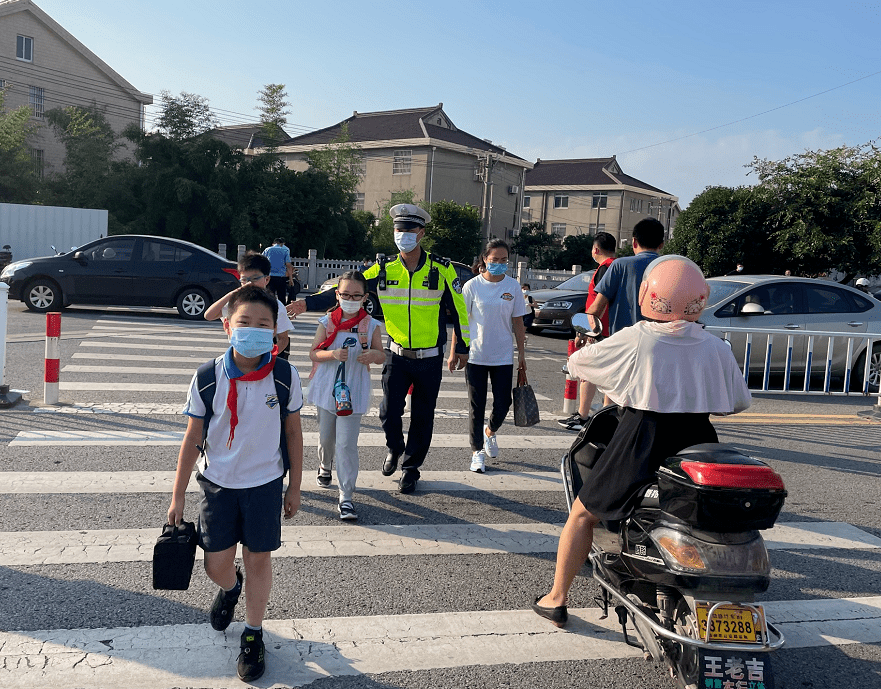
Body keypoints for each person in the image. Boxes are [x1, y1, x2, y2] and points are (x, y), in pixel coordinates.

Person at [531, 256, 751, 628]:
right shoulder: (717, 347)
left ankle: (556, 598)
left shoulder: (638, 338)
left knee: (583, 515)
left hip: (642, 438)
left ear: (649, 295)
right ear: (701, 299)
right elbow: (738, 402)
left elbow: (581, 364)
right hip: (698, 441)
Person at [168, 285, 304, 681]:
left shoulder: (284, 375)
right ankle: (230, 589)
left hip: (264, 485)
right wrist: (177, 496)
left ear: (275, 332)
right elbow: (193, 437)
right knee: (217, 566)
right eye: (244, 322)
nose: (253, 331)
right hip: (217, 485)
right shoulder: (208, 376)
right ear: (227, 326)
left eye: (264, 325)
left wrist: (294, 486)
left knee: (259, 558)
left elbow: (293, 433)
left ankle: (253, 633)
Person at [288, 203, 470, 494]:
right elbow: (347, 285)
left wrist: (462, 345)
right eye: (399, 230)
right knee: (388, 413)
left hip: (430, 357)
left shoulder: (441, 268)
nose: (403, 235)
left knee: (423, 415)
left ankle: (410, 469)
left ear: (421, 233)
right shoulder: (383, 268)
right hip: (396, 355)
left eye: (409, 230)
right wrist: (307, 303)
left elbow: (459, 309)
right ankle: (395, 448)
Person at [308, 271, 385, 520]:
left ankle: (346, 497)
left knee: (346, 444)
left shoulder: (370, 324)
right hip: (327, 387)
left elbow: (382, 354)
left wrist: (373, 355)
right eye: (345, 294)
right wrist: (332, 354)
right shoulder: (327, 321)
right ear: (337, 295)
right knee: (326, 437)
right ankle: (324, 464)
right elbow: (314, 353)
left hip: (354, 390)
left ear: (365, 297)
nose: (350, 299)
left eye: (356, 295)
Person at [450, 239, 528, 474]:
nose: (499, 264)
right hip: (475, 355)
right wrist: (454, 351)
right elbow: (461, 322)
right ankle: (477, 452)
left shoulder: (513, 287)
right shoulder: (472, 286)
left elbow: (518, 322)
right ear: (485, 259)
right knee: (477, 405)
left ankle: (490, 432)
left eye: (504, 260)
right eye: (495, 260)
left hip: (503, 355)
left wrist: (522, 354)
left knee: (504, 403)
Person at [558, 231, 616, 431]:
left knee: (587, 373)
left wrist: (584, 331)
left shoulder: (604, 269)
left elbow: (599, 302)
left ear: (596, 249)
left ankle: (583, 416)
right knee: (610, 375)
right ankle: (608, 415)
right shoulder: (619, 267)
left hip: (599, 329)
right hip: (613, 329)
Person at [204, 252, 294, 361]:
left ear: (267, 279)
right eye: (244, 280)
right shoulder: (237, 303)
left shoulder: (275, 305)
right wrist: (234, 293)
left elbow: (283, 339)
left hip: (266, 359)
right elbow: (209, 315)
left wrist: (269, 357)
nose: (249, 284)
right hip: (238, 358)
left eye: (255, 279)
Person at [587, 217, 665, 337]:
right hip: (660, 343)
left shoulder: (619, 265)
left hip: (622, 344)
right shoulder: (671, 267)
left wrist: (582, 333)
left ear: (634, 242)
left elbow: (596, 309)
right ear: (661, 245)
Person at [263, 238, 293, 304]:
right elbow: (288, 265)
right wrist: (291, 278)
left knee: (270, 297)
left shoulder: (267, 249)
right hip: (281, 277)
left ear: (273, 243)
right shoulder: (285, 250)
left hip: (269, 277)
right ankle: (281, 312)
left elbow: (262, 261)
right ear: (282, 244)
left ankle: (270, 312)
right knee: (281, 297)